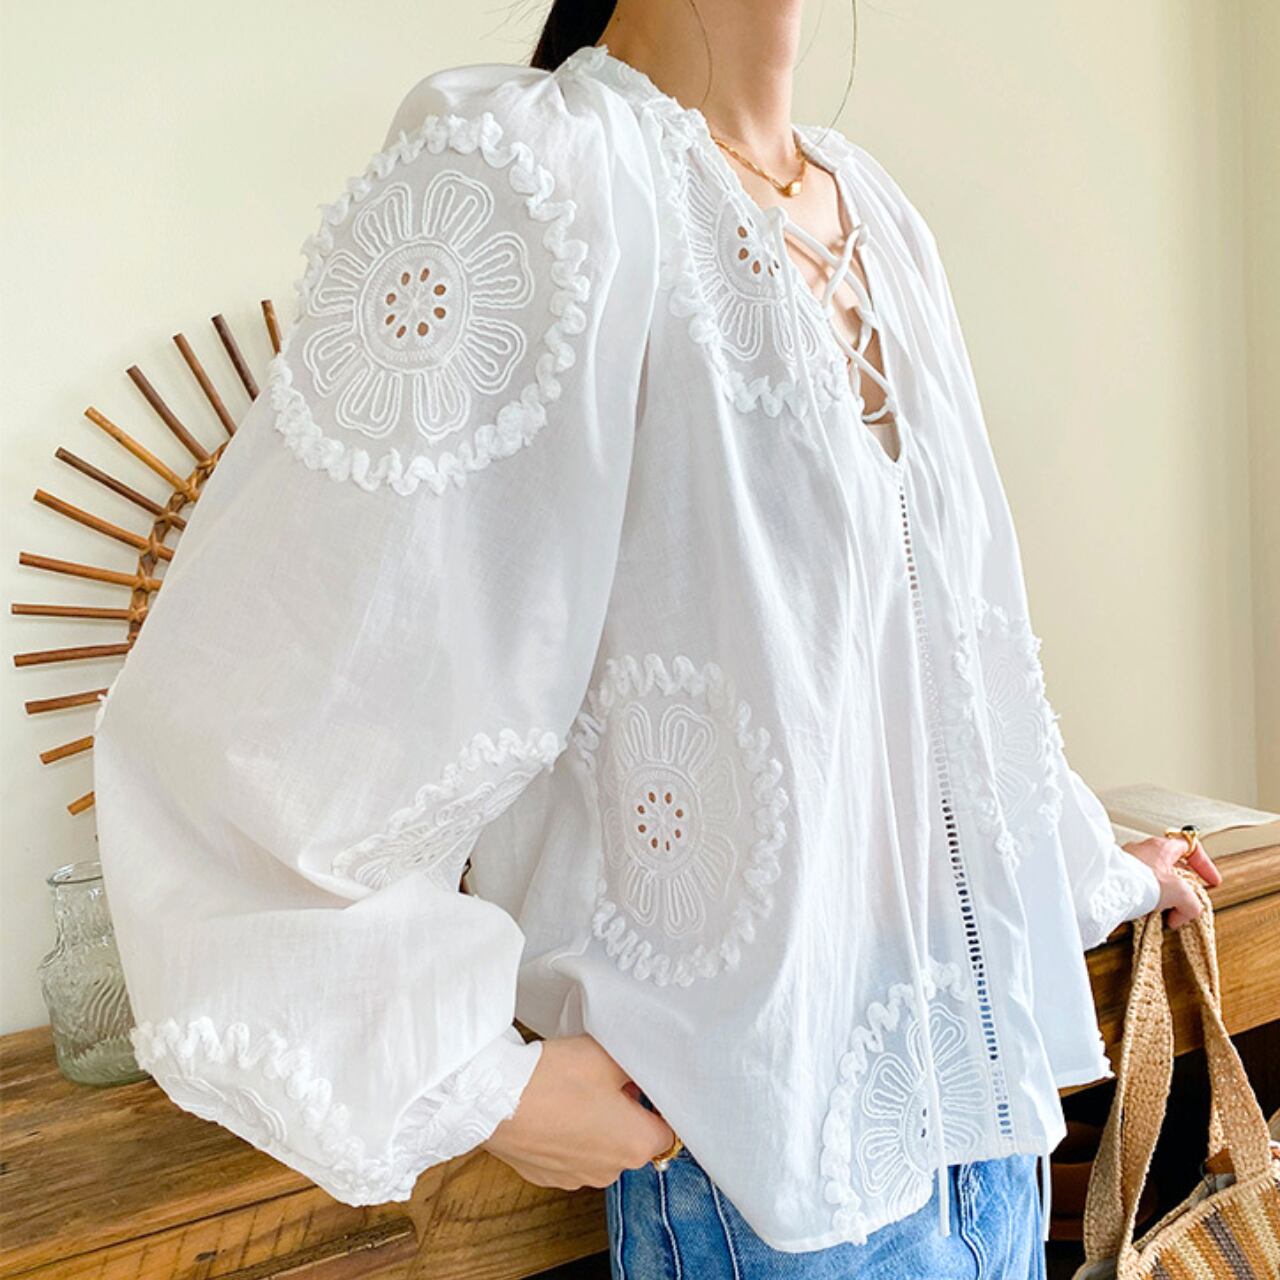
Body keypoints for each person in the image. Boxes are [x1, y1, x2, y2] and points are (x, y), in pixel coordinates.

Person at [91, 1, 1223, 1276]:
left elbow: (934, 659)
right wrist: (476, 1077)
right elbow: (269, 707)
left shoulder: (871, 212)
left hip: (983, 1129)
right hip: (750, 1177)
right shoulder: (539, 174)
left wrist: (1078, 862)